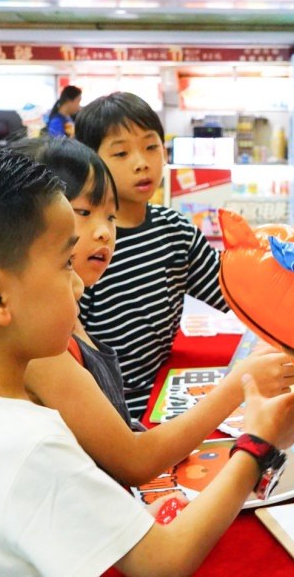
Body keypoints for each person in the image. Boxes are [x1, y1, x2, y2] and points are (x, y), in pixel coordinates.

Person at [0, 146, 294, 575]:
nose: (78, 285)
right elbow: (162, 562)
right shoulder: (30, 446)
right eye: (64, 265)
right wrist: (257, 444)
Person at [12, 137, 294, 485]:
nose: (104, 232)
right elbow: (134, 460)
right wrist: (240, 387)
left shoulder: (67, 315)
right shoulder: (42, 346)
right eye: (84, 213)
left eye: (111, 216)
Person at [75, 92, 229, 420]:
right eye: (121, 153)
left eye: (150, 147)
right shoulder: (87, 246)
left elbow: (232, 294)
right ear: (91, 162)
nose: (141, 163)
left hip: (164, 396)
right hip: (106, 412)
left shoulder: (175, 230)